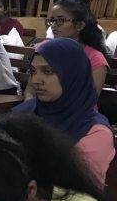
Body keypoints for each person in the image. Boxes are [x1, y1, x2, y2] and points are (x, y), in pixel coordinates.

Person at [13, 38, 115, 185]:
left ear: (73, 74)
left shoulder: (95, 132)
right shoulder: (25, 112)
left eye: (48, 71)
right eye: (33, 71)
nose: (36, 80)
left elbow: (74, 188)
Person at [38, 0, 109, 95]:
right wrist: (29, 101)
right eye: (52, 20)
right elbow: (30, 89)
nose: (53, 25)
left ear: (79, 25)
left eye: (61, 20)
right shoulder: (44, 48)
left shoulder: (94, 58)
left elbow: (89, 98)